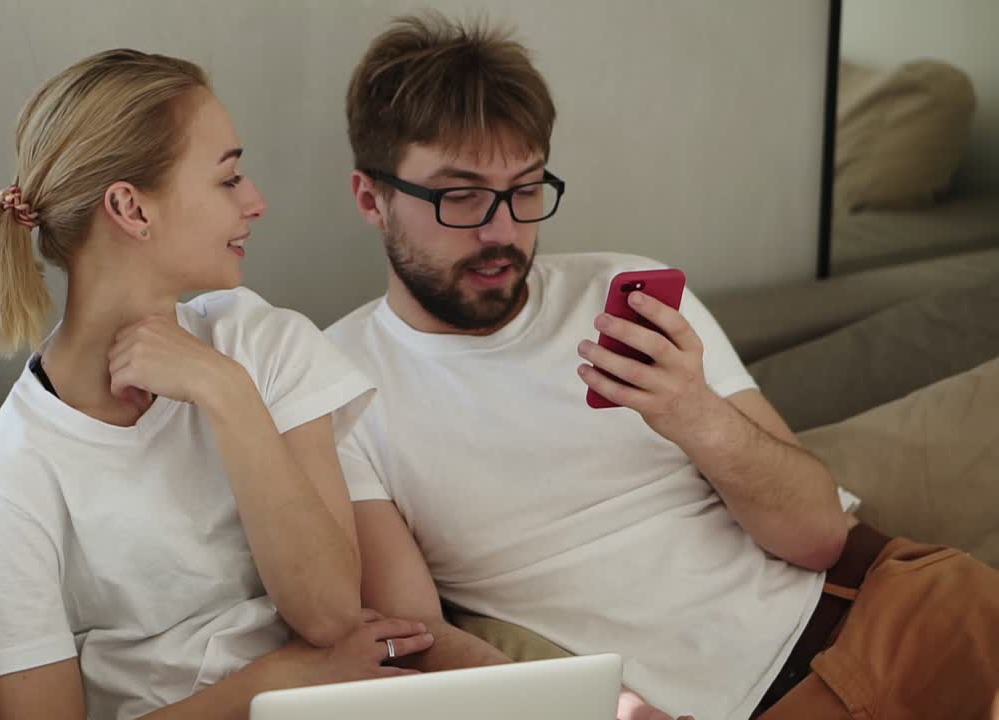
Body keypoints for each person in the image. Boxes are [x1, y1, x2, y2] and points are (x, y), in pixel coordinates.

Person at [327, 13, 999, 720]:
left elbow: (820, 533)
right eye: (460, 196)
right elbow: (417, 637)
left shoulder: (625, 290)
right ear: (372, 198)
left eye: (525, 188)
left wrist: (694, 413)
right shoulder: (339, 388)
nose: (503, 230)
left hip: (888, 609)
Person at [0, 48, 433, 720]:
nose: (256, 202)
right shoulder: (7, 477)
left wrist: (226, 394)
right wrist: (279, 678)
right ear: (131, 208)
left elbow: (332, 611)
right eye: (229, 179)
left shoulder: (260, 344)